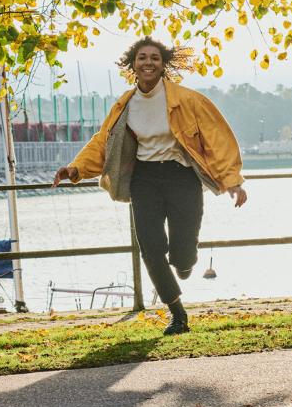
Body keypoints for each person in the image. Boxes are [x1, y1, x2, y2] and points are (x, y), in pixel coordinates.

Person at [53, 37, 247, 335]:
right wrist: (75, 169)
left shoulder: (188, 100)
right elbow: (104, 142)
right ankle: (177, 314)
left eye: (155, 58)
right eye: (142, 57)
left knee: (184, 253)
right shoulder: (125, 105)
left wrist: (232, 180)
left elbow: (217, 138)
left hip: (182, 178)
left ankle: (184, 262)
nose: (148, 62)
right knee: (151, 248)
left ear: (163, 64)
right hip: (144, 180)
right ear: (132, 65)